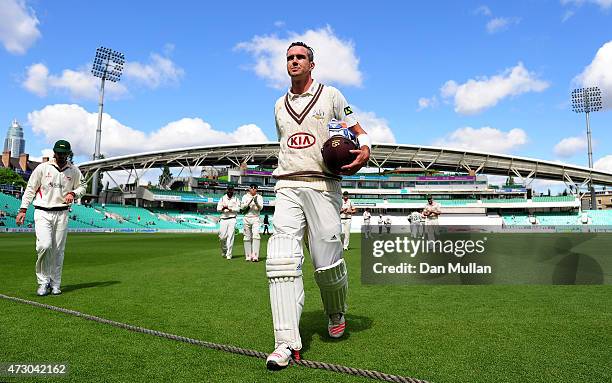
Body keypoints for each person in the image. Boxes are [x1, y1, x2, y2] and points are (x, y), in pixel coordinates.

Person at [265, 41, 371, 370]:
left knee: (327, 260)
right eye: (290, 58)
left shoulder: (332, 95)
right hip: (287, 184)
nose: (294, 62)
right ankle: (285, 343)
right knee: (281, 258)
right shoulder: (279, 105)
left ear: (312, 64)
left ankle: (335, 311)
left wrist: (364, 149)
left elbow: (358, 130)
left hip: (324, 184)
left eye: (301, 57)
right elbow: (286, 142)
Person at [16, 140, 86, 296]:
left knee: (58, 250)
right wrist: (22, 210)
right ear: (54, 152)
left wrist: (73, 193)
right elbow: (30, 189)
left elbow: (83, 186)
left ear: (68, 154)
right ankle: (43, 282)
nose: (61, 156)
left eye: (64, 153)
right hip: (42, 212)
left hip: (62, 213)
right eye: (58, 153)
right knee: (45, 246)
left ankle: (55, 284)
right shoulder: (43, 168)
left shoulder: (74, 171)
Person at [241, 184, 264, 262]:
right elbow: (242, 207)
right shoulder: (245, 197)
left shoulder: (259, 197)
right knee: (246, 237)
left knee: (256, 236)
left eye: (255, 188)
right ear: (249, 189)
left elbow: (260, 208)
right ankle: (248, 256)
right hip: (246, 217)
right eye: (252, 188)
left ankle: (255, 256)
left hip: (255, 218)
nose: (253, 189)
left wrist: (256, 203)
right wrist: (249, 203)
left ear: (257, 189)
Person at [216, 185, 240, 259]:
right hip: (223, 219)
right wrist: (223, 208)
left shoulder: (236, 199)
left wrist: (230, 209)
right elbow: (218, 209)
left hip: (232, 219)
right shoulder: (222, 198)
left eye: (231, 190)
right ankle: (224, 250)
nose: (230, 191)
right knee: (222, 237)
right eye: (229, 190)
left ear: (233, 190)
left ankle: (229, 254)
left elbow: (238, 209)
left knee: (231, 237)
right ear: (226, 190)